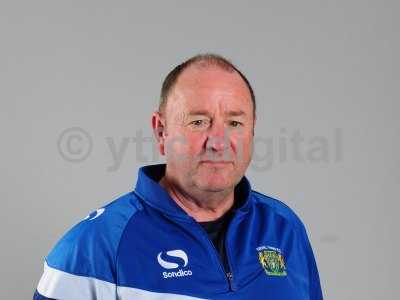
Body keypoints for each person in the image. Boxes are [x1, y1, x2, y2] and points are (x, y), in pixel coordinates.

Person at [34, 54, 323, 299]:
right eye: (198, 122)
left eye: (234, 122)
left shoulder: (285, 229)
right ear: (162, 132)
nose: (219, 142)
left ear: (252, 131)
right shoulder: (92, 248)